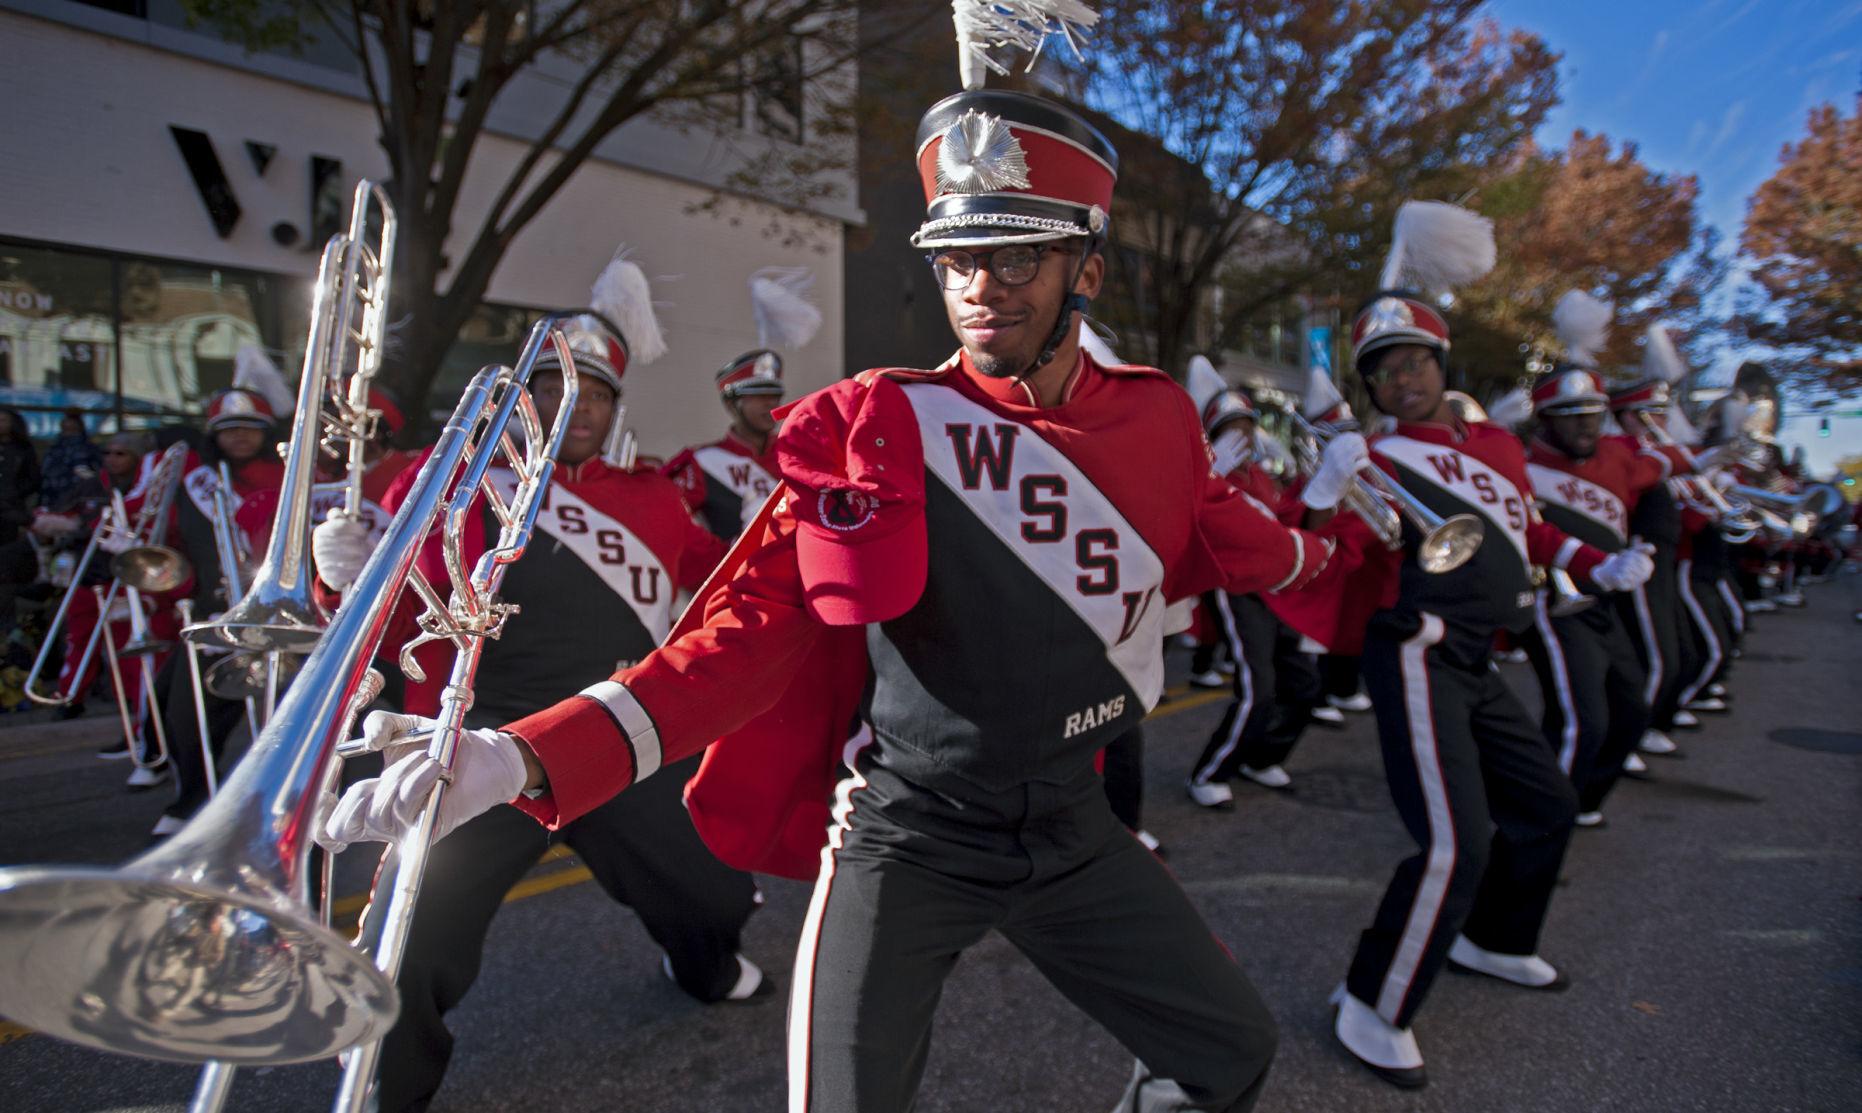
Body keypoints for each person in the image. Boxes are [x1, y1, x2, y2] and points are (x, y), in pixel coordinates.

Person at [327, 88, 1367, 1113]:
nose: (982, 289)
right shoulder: (876, 425)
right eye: (958, 260)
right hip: (909, 834)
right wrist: (524, 755)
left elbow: (1232, 539)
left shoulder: (1157, 421)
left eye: (1014, 257)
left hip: (1073, 825)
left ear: (1084, 270)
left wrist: (1335, 551)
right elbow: (743, 640)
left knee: (1227, 1053)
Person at [312, 314, 764, 1113]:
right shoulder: (463, 480)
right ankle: (389, 1087)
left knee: (717, 894)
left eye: (594, 392)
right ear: (527, 401)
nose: (576, 406)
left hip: (617, 734)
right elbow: (389, 616)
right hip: (484, 750)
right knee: (411, 933)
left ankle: (702, 967)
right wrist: (340, 576)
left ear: (614, 406)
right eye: (556, 388)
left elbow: (722, 584)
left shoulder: (653, 495)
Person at [1310, 284, 1651, 1088]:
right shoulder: (1378, 455)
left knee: (1547, 805)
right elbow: (1336, 546)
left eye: (1413, 361)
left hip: (1478, 656)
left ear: (1439, 363)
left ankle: (1493, 937)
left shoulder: (1497, 445)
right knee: (1453, 842)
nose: (1401, 380)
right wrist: (1325, 492)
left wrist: (1598, 562)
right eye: (1383, 372)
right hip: (1417, 647)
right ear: (1374, 389)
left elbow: (1529, 528)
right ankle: (1370, 1000)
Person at [1520, 367, 1672, 825]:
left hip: (1605, 602)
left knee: (1632, 711)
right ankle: (1540, 820)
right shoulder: (1523, 467)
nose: (1584, 424)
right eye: (1568, 414)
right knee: (1582, 720)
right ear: (1545, 419)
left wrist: (1641, 549)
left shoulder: (1615, 458)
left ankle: (1581, 801)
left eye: (1592, 413)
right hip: (1555, 603)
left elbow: (1667, 470)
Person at [141, 389, 285, 830]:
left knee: (278, 718)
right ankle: (193, 797)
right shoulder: (198, 482)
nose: (240, 437)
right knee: (187, 714)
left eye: (249, 429)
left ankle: (277, 799)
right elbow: (179, 546)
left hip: (279, 614)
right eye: (229, 430)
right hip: (211, 613)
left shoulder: (290, 477)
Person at [1186, 388, 1323, 803]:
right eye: (1230, 429)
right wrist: (1207, 476)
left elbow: (1284, 525)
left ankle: (1261, 758)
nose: (1242, 436)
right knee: (1258, 689)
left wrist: (1320, 488)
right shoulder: (1206, 474)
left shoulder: (1261, 476)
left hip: (1277, 589)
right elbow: (1185, 526)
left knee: (1305, 685)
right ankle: (1209, 773)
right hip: (1236, 589)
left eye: (1246, 426)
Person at [663, 349, 784, 540]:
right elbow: (669, 523)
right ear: (731, 404)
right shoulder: (703, 462)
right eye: (758, 395)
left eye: (774, 394)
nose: (770, 402)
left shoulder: (796, 452)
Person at [38, 410, 103, 516]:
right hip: (53, 496)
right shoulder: (54, 449)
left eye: (72, 429)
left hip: (80, 497)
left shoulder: (88, 449)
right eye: (66, 428)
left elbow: (97, 472)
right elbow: (44, 472)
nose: (69, 432)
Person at [0, 407, 40, 547]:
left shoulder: (23, 448)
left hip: (12, 507)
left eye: (4, 420)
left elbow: (33, 478)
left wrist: (15, 493)